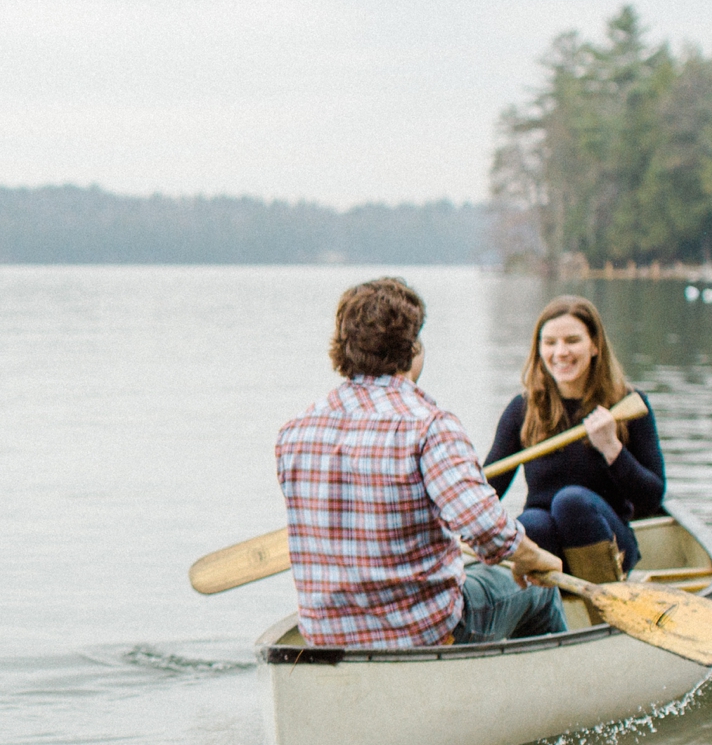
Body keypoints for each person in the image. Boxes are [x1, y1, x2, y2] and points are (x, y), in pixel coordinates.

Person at [276, 277, 565, 649]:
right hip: (424, 633)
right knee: (538, 591)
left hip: (328, 637)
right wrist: (534, 557)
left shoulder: (295, 432)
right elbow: (488, 530)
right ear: (412, 347)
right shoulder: (429, 425)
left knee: (474, 571)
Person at [482, 295, 665, 584]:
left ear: (594, 345)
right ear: (539, 349)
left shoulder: (627, 405)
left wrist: (612, 449)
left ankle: (604, 595)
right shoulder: (523, 410)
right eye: (550, 342)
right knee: (530, 524)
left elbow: (652, 499)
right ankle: (547, 606)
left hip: (611, 543)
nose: (561, 352)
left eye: (572, 340)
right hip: (549, 551)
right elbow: (488, 490)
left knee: (571, 502)